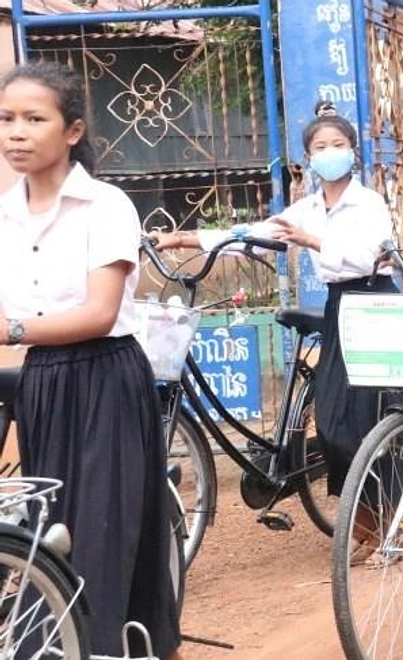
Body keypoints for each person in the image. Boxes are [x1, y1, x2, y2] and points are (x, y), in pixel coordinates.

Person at [0, 61, 182, 658]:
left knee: (105, 534)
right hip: (44, 383)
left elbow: (100, 313)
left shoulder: (105, 205)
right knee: (49, 535)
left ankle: (115, 646)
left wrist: (13, 330)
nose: (16, 132)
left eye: (34, 118)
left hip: (106, 376)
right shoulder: (5, 213)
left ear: (72, 130)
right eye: (6, 119)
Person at [152, 115, 395, 543]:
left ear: (353, 151)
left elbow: (369, 257)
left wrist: (312, 240)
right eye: (320, 147)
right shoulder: (308, 207)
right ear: (308, 158)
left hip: (377, 302)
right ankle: (364, 517)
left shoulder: (369, 204)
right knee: (334, 420)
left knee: (371, 415)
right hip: (341, 306)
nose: (329, 153)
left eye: (337, 144)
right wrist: (179, 239)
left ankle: (380, 522)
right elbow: (251, 233)